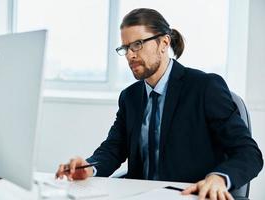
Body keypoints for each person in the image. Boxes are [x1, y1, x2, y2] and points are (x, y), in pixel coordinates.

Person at [56, 8, 263, 200]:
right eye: (125, 47)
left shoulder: (204, 87)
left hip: (189, 195)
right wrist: (90, 167)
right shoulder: (130, 97)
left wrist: (219, 177)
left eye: (137, 44)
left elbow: (248, 153)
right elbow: (113, 149)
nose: (130, 55)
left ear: (164, 43)